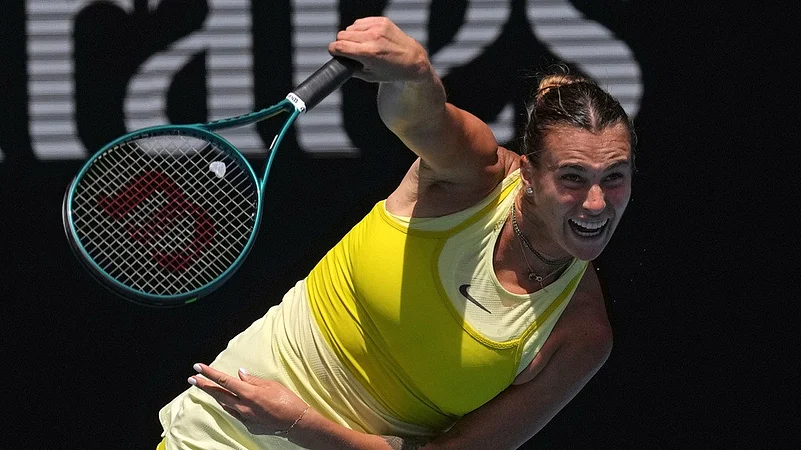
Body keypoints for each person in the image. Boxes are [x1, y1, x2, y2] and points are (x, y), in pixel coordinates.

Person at [158, 16, 634, 450]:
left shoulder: (580, 332)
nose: (596, 203)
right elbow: (421, 119)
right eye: (572, 177)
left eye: (614, 176)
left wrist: (296, 423)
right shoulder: (475, 178)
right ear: (529, 175)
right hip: (213, 439)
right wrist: (415, 75)